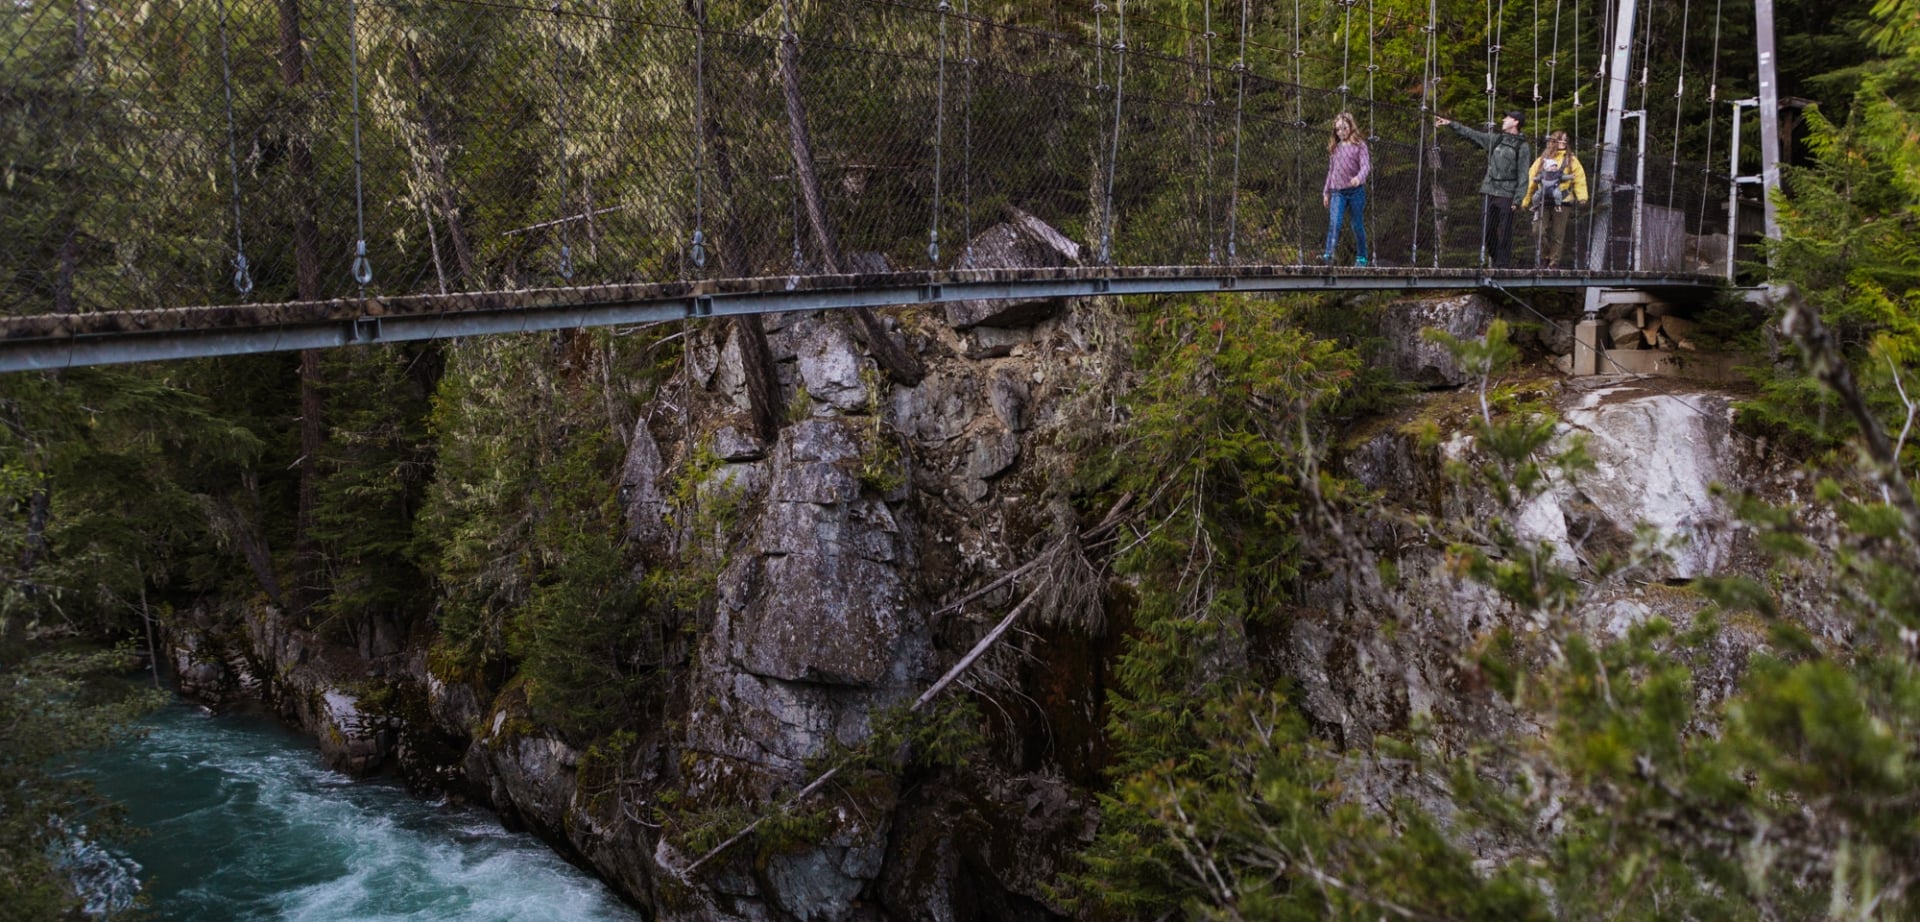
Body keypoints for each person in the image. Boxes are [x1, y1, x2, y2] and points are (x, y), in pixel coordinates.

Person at [1434, 109, 1531, 268]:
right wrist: (1451, 124)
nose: (1503, 120)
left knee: (1504, 229)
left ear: (1516, 122)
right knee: (1488, 229)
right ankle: (1496, 257)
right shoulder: (1497, 140)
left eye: (1507, 118)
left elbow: (1523, 173)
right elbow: (1472, 134)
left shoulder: (1522, 146)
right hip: (1489, 189)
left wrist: (1518, 198)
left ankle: (1502, 263)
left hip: (1507, 193)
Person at [1521, 130, 1588, 269]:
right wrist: (1526, 200)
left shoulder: (1571, 160)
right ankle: (1545, 256)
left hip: (1562, 200)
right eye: (1559, 140)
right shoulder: (1541, 161)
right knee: (1538, 230)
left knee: (1558, 234)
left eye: (1565, 141)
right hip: (1543, 200)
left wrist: (1582, 197)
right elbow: (1531, 182)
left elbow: (1579, 179)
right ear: (1553, 142)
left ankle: (1553, 262)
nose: (1563, 143)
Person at [1320, 111, 1371, 267]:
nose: (1341, 132)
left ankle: (1362, 257)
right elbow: (1331, 171)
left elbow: (1366, 165)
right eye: (1338, 129)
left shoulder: (1359, 145)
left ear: (1350, 127)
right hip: (1337, 191)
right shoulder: (1335, 148)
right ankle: (1328, 255)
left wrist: (1358, 178)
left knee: (1356, 224)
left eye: (1344, 128)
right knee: (1335, 222)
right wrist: (1326, 191)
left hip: (1355, 191)